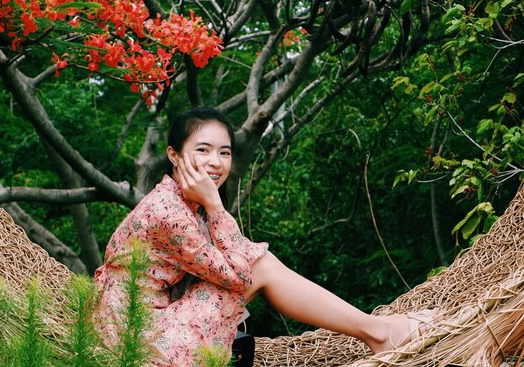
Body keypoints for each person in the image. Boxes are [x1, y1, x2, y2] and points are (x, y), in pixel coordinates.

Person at [93, 106, 437, 367]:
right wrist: (215, 204)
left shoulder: (182, 201)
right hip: (139, 344)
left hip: (144, 325)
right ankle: (378, 332)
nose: (215, 163)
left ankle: (377, 330)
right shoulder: (169, 211)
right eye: (203, 150)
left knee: (261, 265)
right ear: (174, 155)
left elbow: (233, 259)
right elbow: (241, 275)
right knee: (262, 268)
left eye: (224, 152)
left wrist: (211, 206)